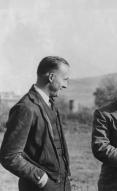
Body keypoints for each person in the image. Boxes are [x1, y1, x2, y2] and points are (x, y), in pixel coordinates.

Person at [0, 56, 71, 191]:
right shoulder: (25, 107)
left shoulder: (51, 104)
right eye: (65, 79)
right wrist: (41, 178)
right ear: (51, 77)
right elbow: (9, 156)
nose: (65, 85)